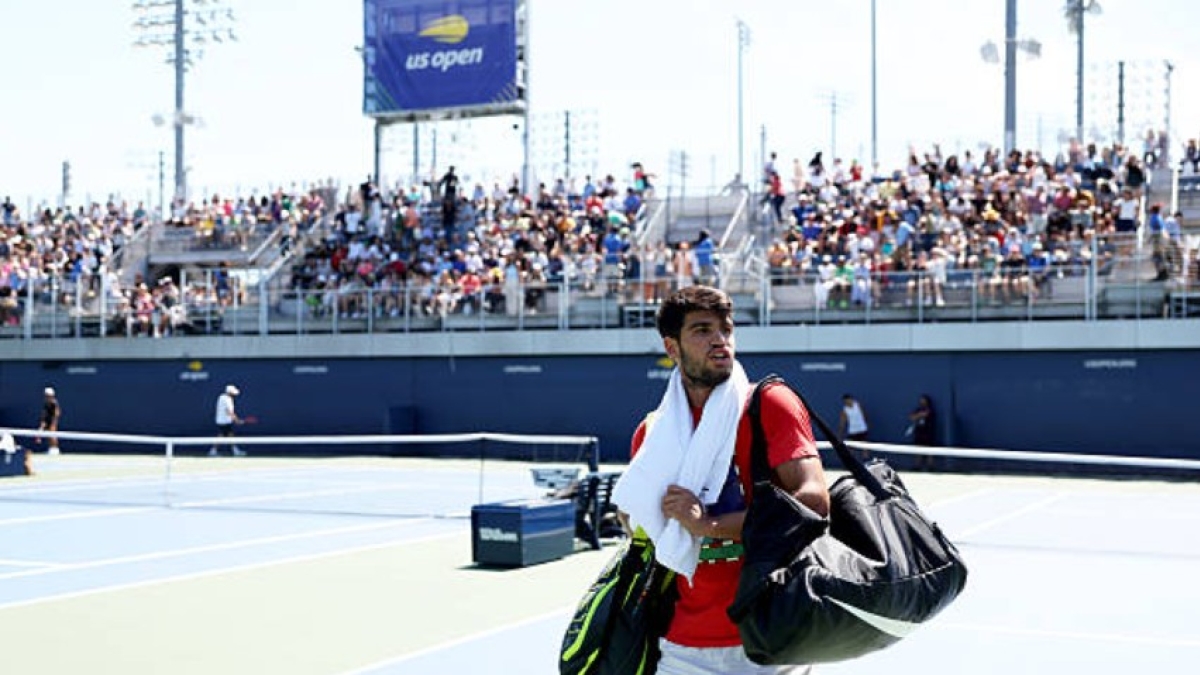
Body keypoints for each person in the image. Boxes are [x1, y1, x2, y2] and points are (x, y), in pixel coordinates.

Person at [613, 285, 829, 674]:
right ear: (672, 348)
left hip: (771, 635)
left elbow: (813, 502)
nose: (720, 340)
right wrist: (638, 517)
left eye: (726, 329)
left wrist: (706, 525)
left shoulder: (770, 405)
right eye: (702, 330)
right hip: (681, 644)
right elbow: (638, 529)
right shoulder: (653, 434)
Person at [210, 384, 246, 457]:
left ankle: (234, 450)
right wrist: (237, 420)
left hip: (222, 420)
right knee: (223, 436)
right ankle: (214, 451)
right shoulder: (227, 399)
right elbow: (229, 411)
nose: (234, 394)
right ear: (230, 392)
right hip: (224, 421)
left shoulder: (221, 397)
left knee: (228, 435)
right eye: (233, 392)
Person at [907, 394, 937, 470]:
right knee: (918, 450)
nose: (922, 402)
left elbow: (926, 414)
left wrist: (919, 415)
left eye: (923, 400)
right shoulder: (918, 409)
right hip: (919, 434)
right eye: (921, 400)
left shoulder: (931, 410)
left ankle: (931, 467)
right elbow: (912, 417)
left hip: (928, 434)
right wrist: (918, 415)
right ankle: (917, 466)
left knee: (930, 451)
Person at [837, 393, 870, 459]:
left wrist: (864, 425)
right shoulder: (845, 410)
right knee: (851, 449)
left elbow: (865, 415)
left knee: (865, 448)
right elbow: (842, 423)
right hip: (852, 432)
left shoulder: (858, 405)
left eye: (848, 400)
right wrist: (839, 435)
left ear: (851, 399)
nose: (847, 402)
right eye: (845, 402)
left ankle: (867, 462)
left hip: (862, 430)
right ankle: (852, 464)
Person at [36, 387, 62, 456]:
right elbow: (44, 414)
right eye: (46, 395)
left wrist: (53, 423)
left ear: (52, 395)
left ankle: (55, 450)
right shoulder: (46, 404)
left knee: (52, 434)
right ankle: (51, 449)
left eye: (48, 395)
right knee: (48, 435)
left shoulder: (54, 403)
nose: (46, 397)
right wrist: (43, 424)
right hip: (47, 421)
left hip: (52, 421)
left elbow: (57, 413)